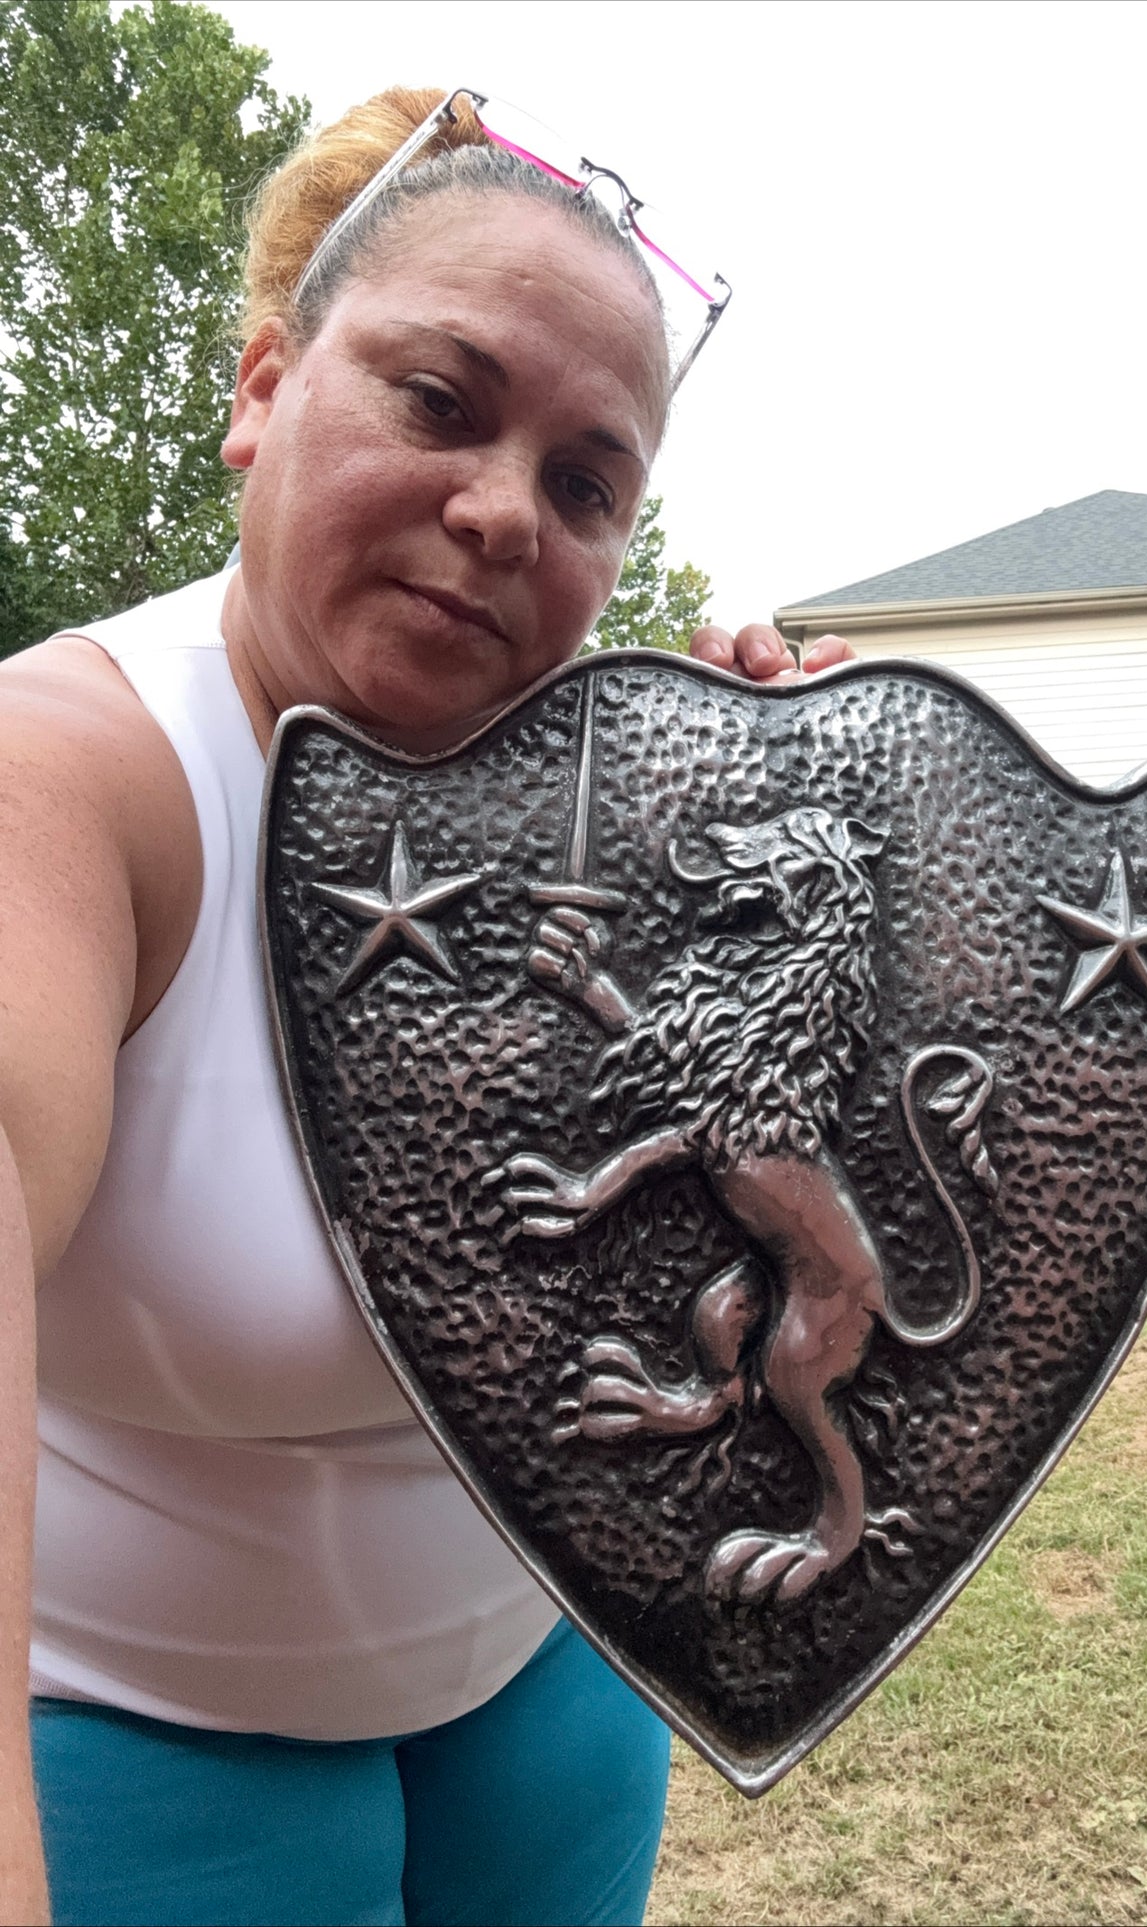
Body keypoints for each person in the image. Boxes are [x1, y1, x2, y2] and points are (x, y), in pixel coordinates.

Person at [0, 86, 849, 1927]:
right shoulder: (67, 782)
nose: (496, 514)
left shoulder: (618, 811)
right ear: (257, 391)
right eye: (439, 403)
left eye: (584, 482)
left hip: (550, 1697)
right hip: (138, 1748)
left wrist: (847, 802)